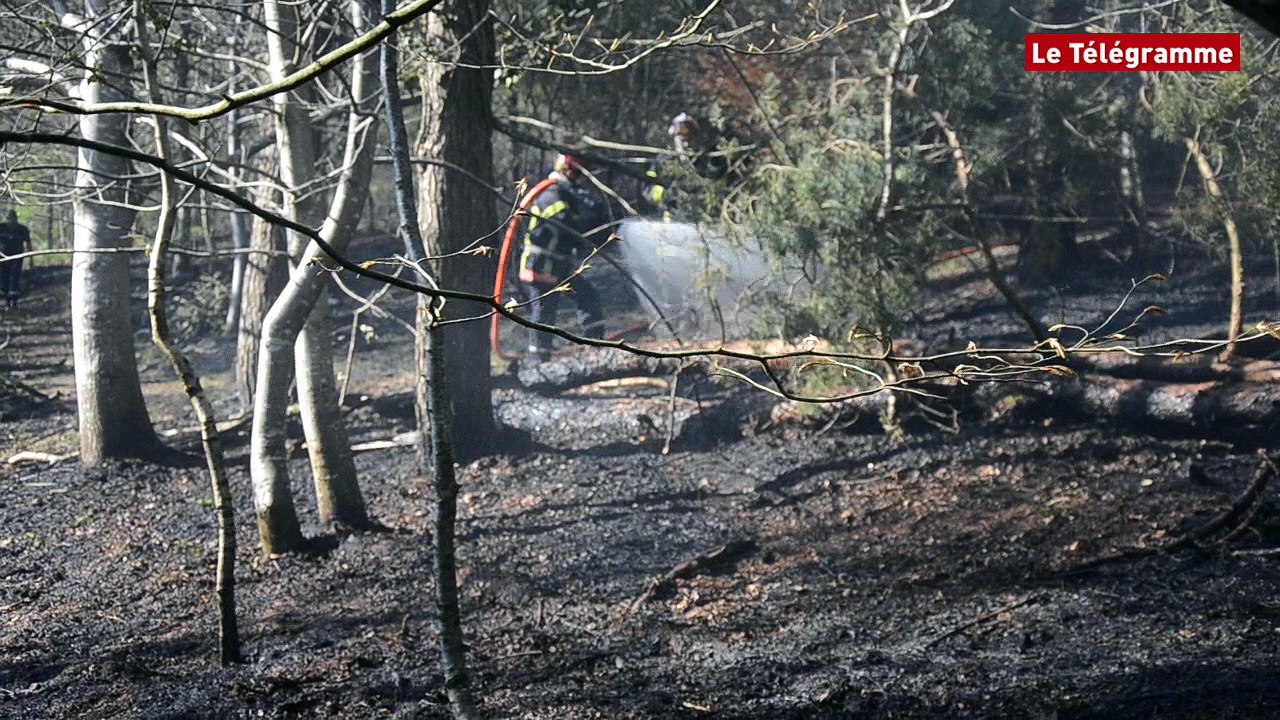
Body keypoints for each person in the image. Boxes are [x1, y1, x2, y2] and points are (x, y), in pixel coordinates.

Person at [517, 153, 606, 365]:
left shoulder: (566, 193)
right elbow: (567, 228)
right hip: (540, 266)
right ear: (570, 170)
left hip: (558, 267)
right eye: (579, 173)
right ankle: (538, 365)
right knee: (543, 316)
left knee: (589, 297)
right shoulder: (551, 192)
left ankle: (596, 351)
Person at [0, 210, 32, 309]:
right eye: (9, 218)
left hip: (17, 257)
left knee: (14, 277)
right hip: (3, 257)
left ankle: (14, 300)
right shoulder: (1, 228)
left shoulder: (22, 229)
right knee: (3, 278)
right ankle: (6, 300)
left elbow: (28, 244)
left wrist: (31, 259)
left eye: (13, 218)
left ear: (16, 219)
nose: (11, 221)